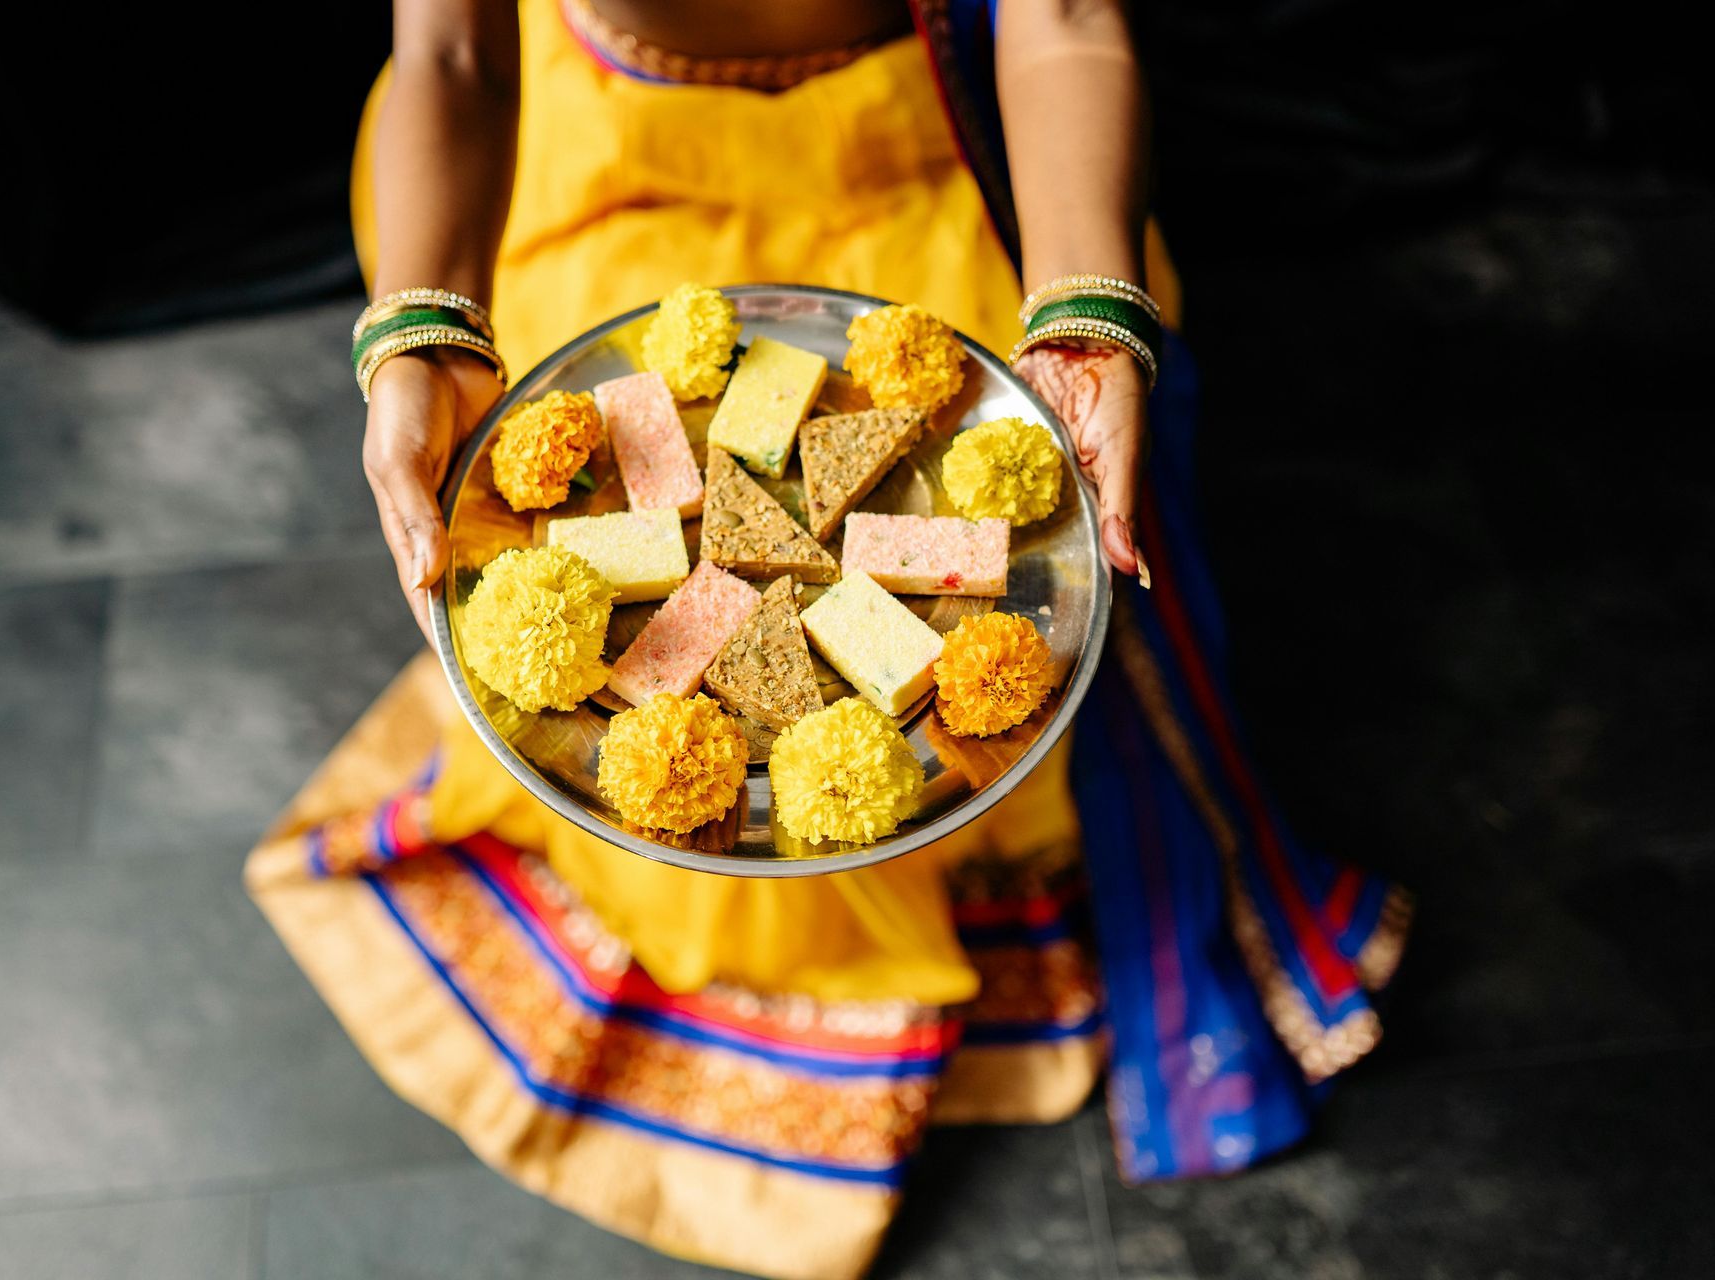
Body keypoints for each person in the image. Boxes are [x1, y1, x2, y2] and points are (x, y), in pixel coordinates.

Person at [244, 3, 1410, 1277]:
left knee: (973, 566)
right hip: (598, 171)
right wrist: (420, 330)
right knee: (608, 578)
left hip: (914, 155)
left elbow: (1065, 18)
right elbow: (454, 55)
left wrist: (1085, 308)